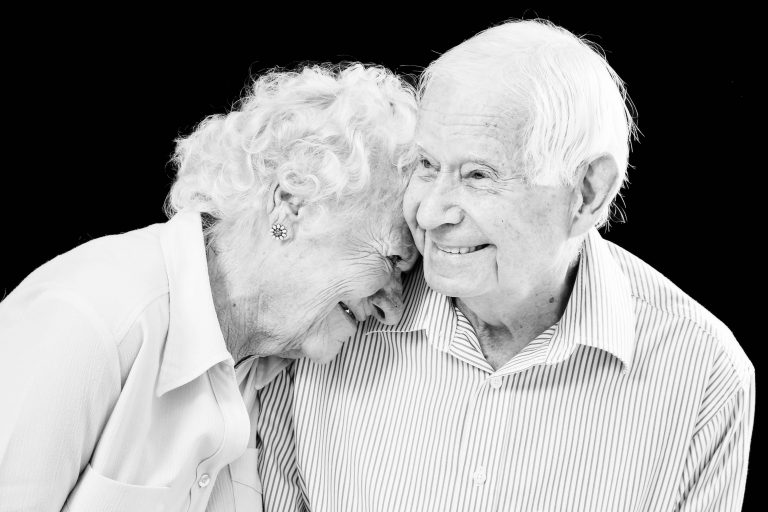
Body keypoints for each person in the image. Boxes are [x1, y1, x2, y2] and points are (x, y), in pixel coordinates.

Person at [259, 21, 755, 511]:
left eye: (478, 175)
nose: (429, 214)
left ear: (587, 192)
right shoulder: (335, 320)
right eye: (426, 165)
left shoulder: (702, 373)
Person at [0, 63, 419, 511]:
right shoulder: (90, 318)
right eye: (391, 259)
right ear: (293, 204)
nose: (394, 309)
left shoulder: (273, 376)